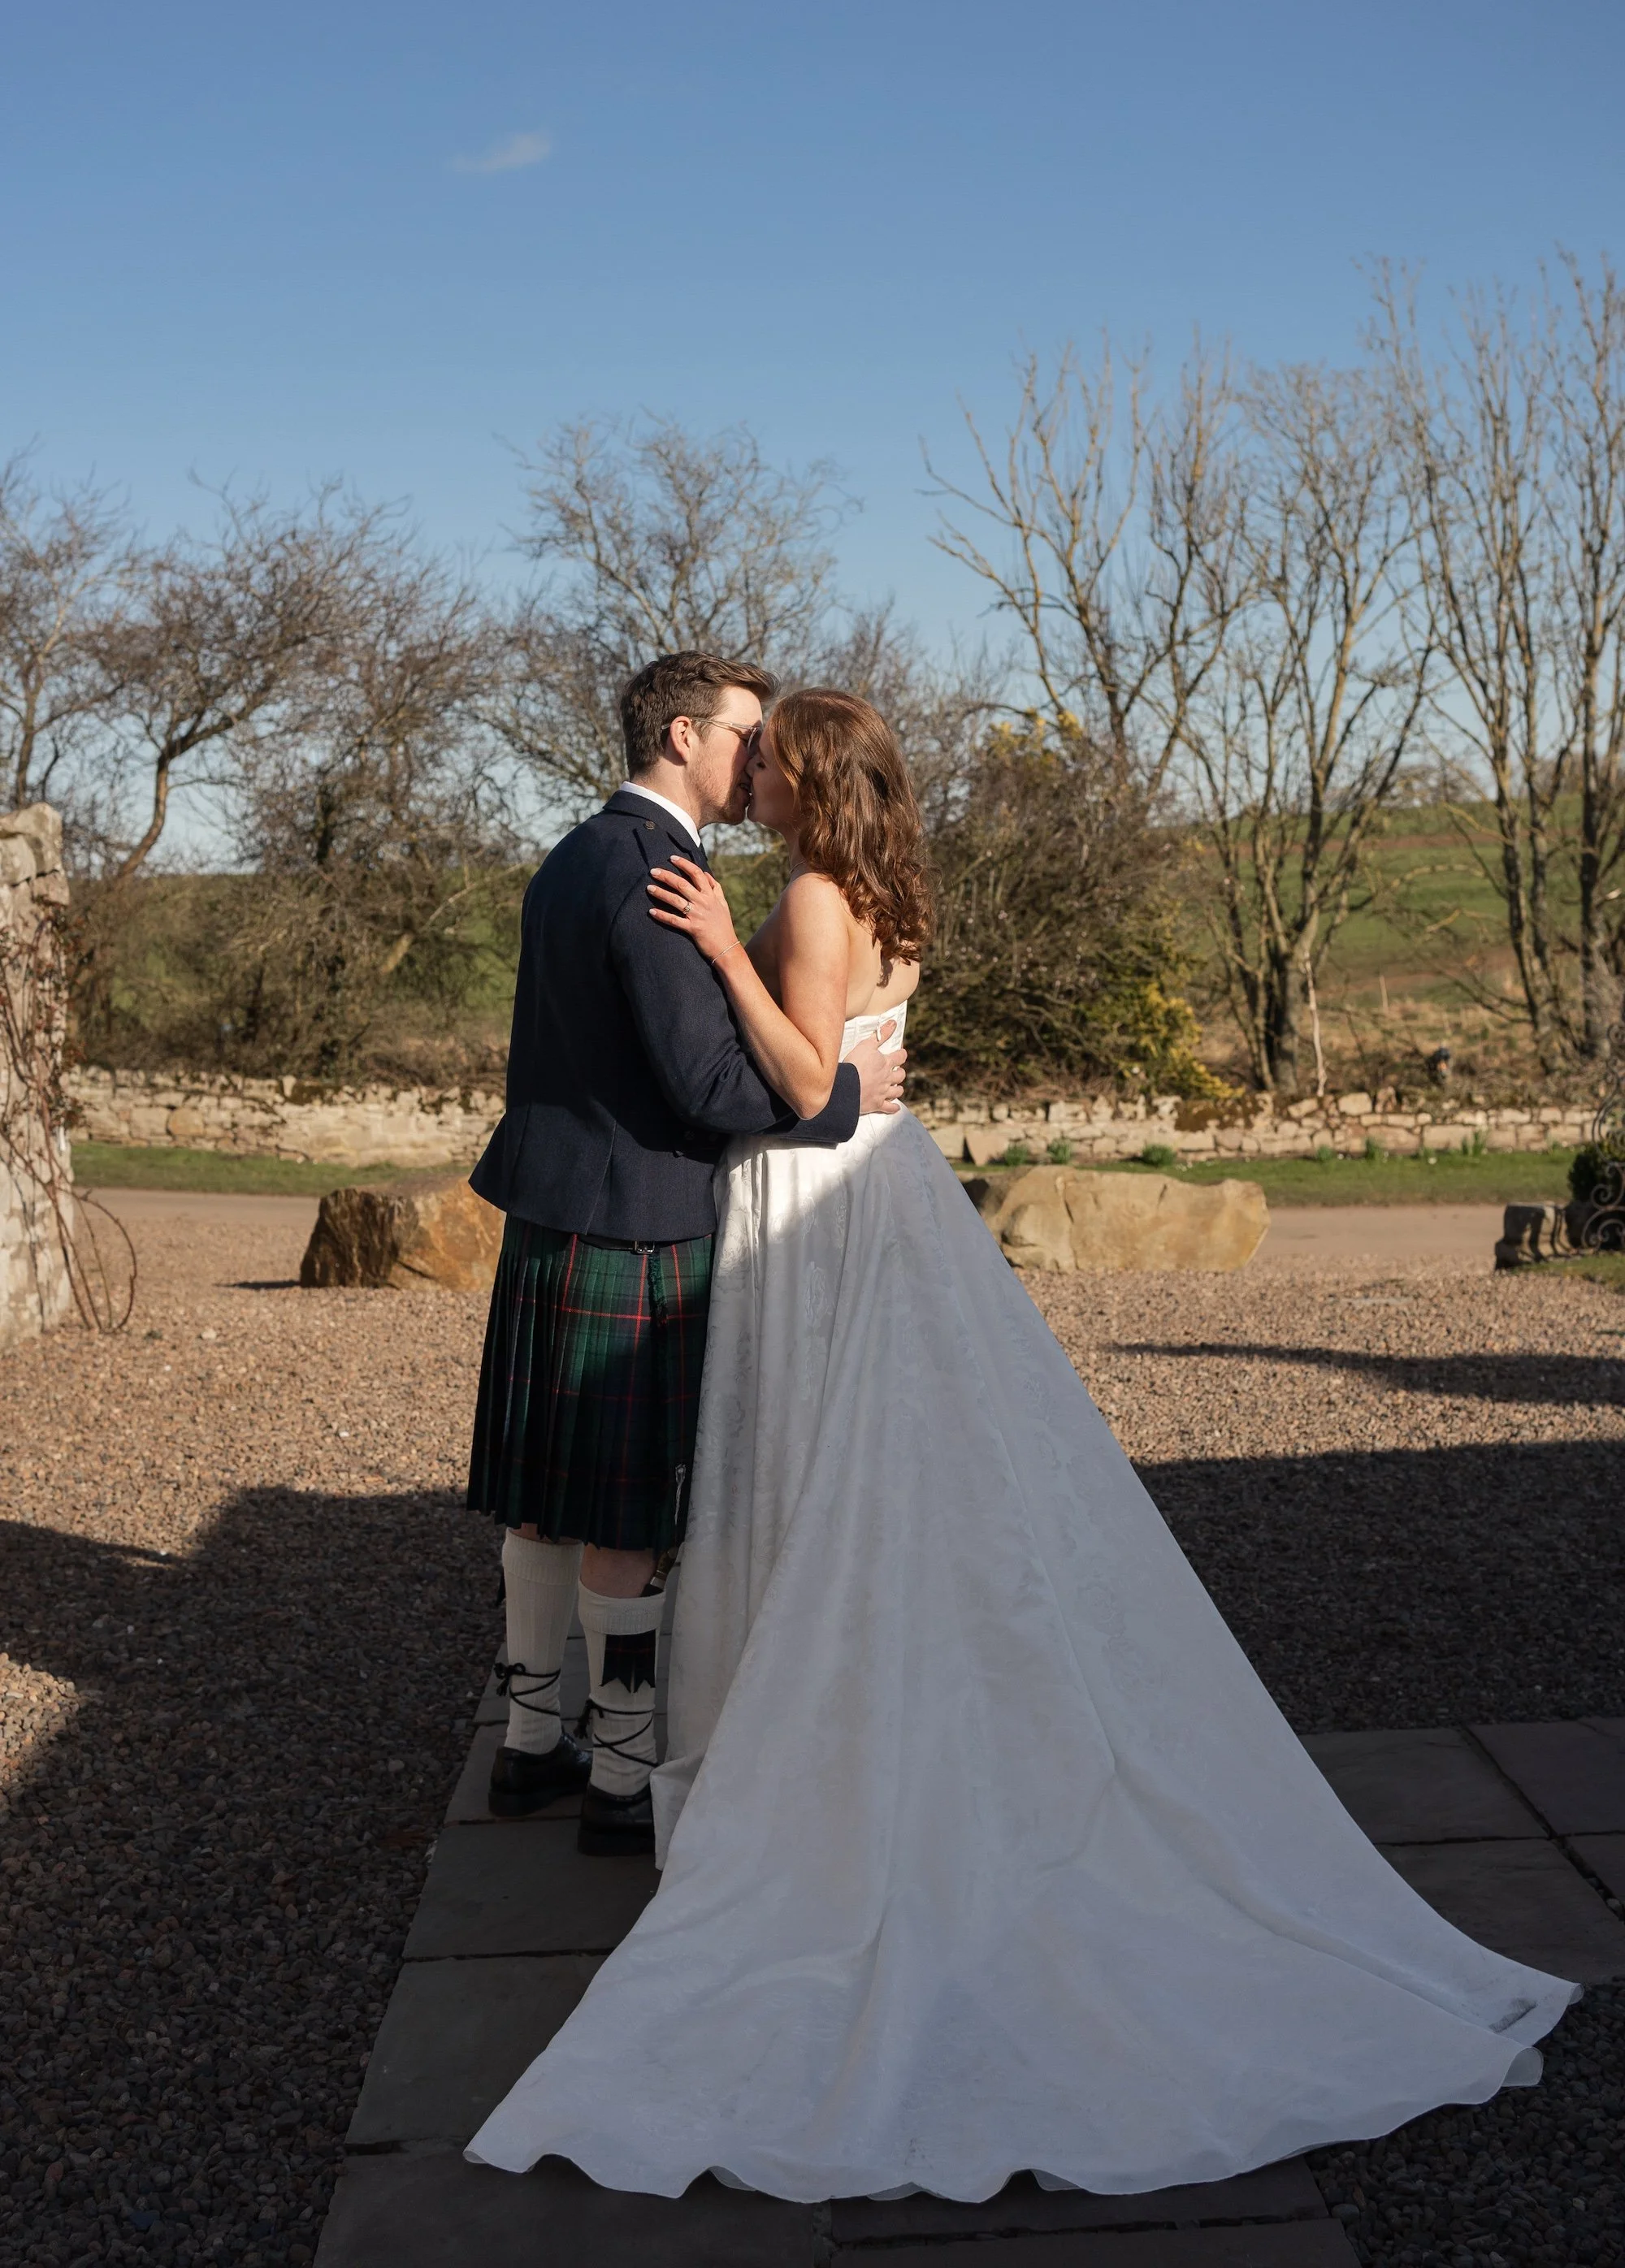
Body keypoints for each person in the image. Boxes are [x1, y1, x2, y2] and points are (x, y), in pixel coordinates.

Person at [466, 689, 1575, 2201]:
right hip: (884, 1185)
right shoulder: (882, 892)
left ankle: (770, 1742)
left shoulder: (803, 898)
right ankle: (715, 1715)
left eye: (773, 754)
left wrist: (726, 956)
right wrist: (822, 1054)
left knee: (811, 1470)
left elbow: (796, 1083)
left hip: (816, 1197)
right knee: (885, 1475)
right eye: (747, 743)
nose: (755, 768)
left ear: (812, 779)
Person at [463, 656, 905, 1858]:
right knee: (623, 1514)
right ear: (681, 736)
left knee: (544, 1504)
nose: (760, 756)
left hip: (555, 1210)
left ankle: (528, 1742)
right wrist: (843, 1099)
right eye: (747, 734)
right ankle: (616, 1778)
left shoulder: (573, 854)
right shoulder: (660, 869)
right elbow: (707, 1083)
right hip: (640, 1217)